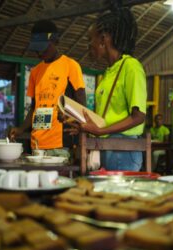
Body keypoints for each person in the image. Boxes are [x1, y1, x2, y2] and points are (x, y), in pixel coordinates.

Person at [69, 9, 146, 171]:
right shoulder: (108, 72)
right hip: (107, 146)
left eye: (91, 39)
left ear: (103, 39)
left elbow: (138, 117)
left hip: (123, 149)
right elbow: (108, 117)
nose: (89, 45)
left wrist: (100, 130)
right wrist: (81, 121)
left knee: (118, 196)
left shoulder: (131, 67)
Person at [8, 20, 86, 154]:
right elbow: (34, 107)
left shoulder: (70, 66)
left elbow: (81, 105)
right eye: (36, 49)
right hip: (37, 143)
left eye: (43, 47)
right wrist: (21, 129)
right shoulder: (35, 72)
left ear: (55, 41)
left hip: (61, 144)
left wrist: (71, 118)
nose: (39, 53)